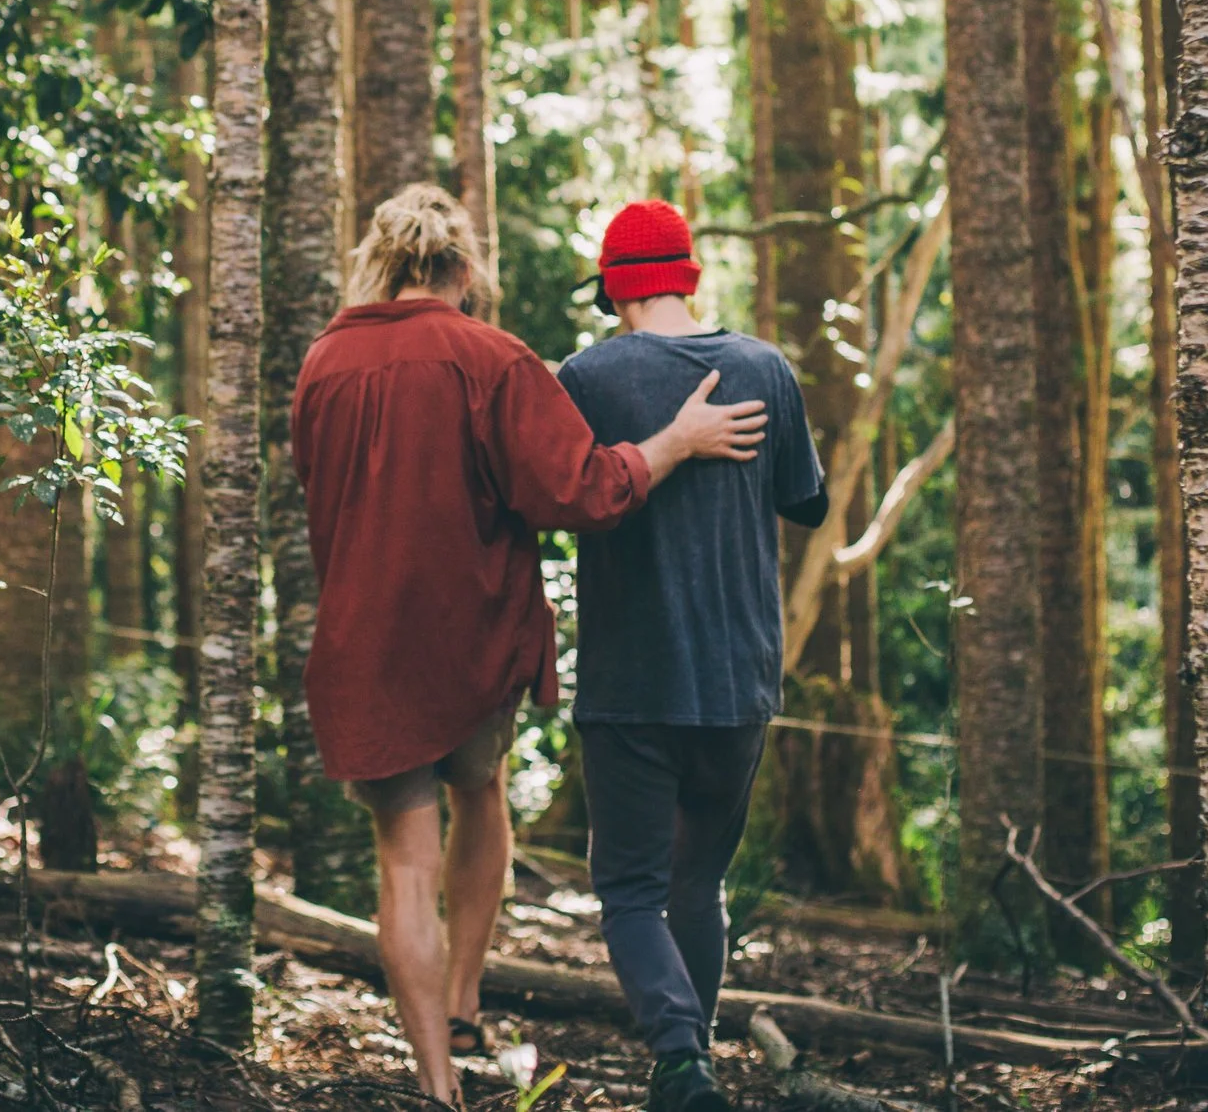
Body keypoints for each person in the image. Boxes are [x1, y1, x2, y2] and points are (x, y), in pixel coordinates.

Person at [291, 185, 770, 1108]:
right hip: (474, 645)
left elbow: (320, 489)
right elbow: (582, 490)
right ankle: (465, 1003)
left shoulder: (325, 362)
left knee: (403, 858)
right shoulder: (491, 356)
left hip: (367, 646)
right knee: (482, 791)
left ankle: (437, 1079)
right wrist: (673, 441)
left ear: (383, 263)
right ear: (464, 268)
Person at [555, 199, 829, 1112]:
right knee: (698, 882)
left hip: (632, 683)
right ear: (690, 276)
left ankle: (681, 1062)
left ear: (617, 292)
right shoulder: (763, 368)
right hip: (739, 676)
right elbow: (809, 503)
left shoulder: (586, 378)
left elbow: (556, 496)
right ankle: (694, 1063)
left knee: (631, 889)